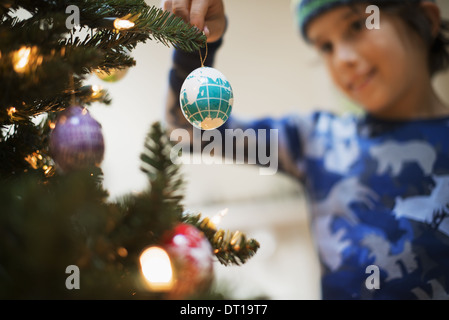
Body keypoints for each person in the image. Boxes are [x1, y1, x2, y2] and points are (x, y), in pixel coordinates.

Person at [162, 0, 449, 300]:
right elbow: (186, 131)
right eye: (325, 46)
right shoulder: (316, 140)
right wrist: (195, 44)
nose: (342, 58)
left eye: (357, 25)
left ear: (425, 20)